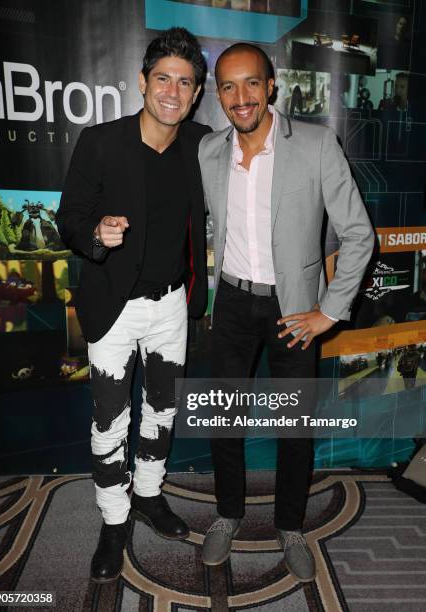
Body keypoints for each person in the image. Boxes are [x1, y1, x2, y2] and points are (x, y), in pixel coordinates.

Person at [199, 43, 374, 581]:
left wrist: (329, 311)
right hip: (229, 301)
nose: (240, 97)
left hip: (293, 309)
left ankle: (291, 525)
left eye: (251, 83)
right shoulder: (208, 152)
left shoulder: (318, 145)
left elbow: (359, 234)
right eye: (228, 86)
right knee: (224, 418)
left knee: (294, 427)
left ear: (271, 85)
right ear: (218, 96)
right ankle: (228, 514)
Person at [56, 27, 210, 583]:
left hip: (171, 305)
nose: (173, 91)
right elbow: (69, 218)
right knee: (111, 418)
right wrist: (95, 231)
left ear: (196, 94)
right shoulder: (100, 141)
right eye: (163, 78)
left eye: (185, 82)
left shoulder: (202, 144)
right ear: (142, 82)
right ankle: (114, 518)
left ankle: (147, 494)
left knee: (163, 410)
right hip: (112, 306)